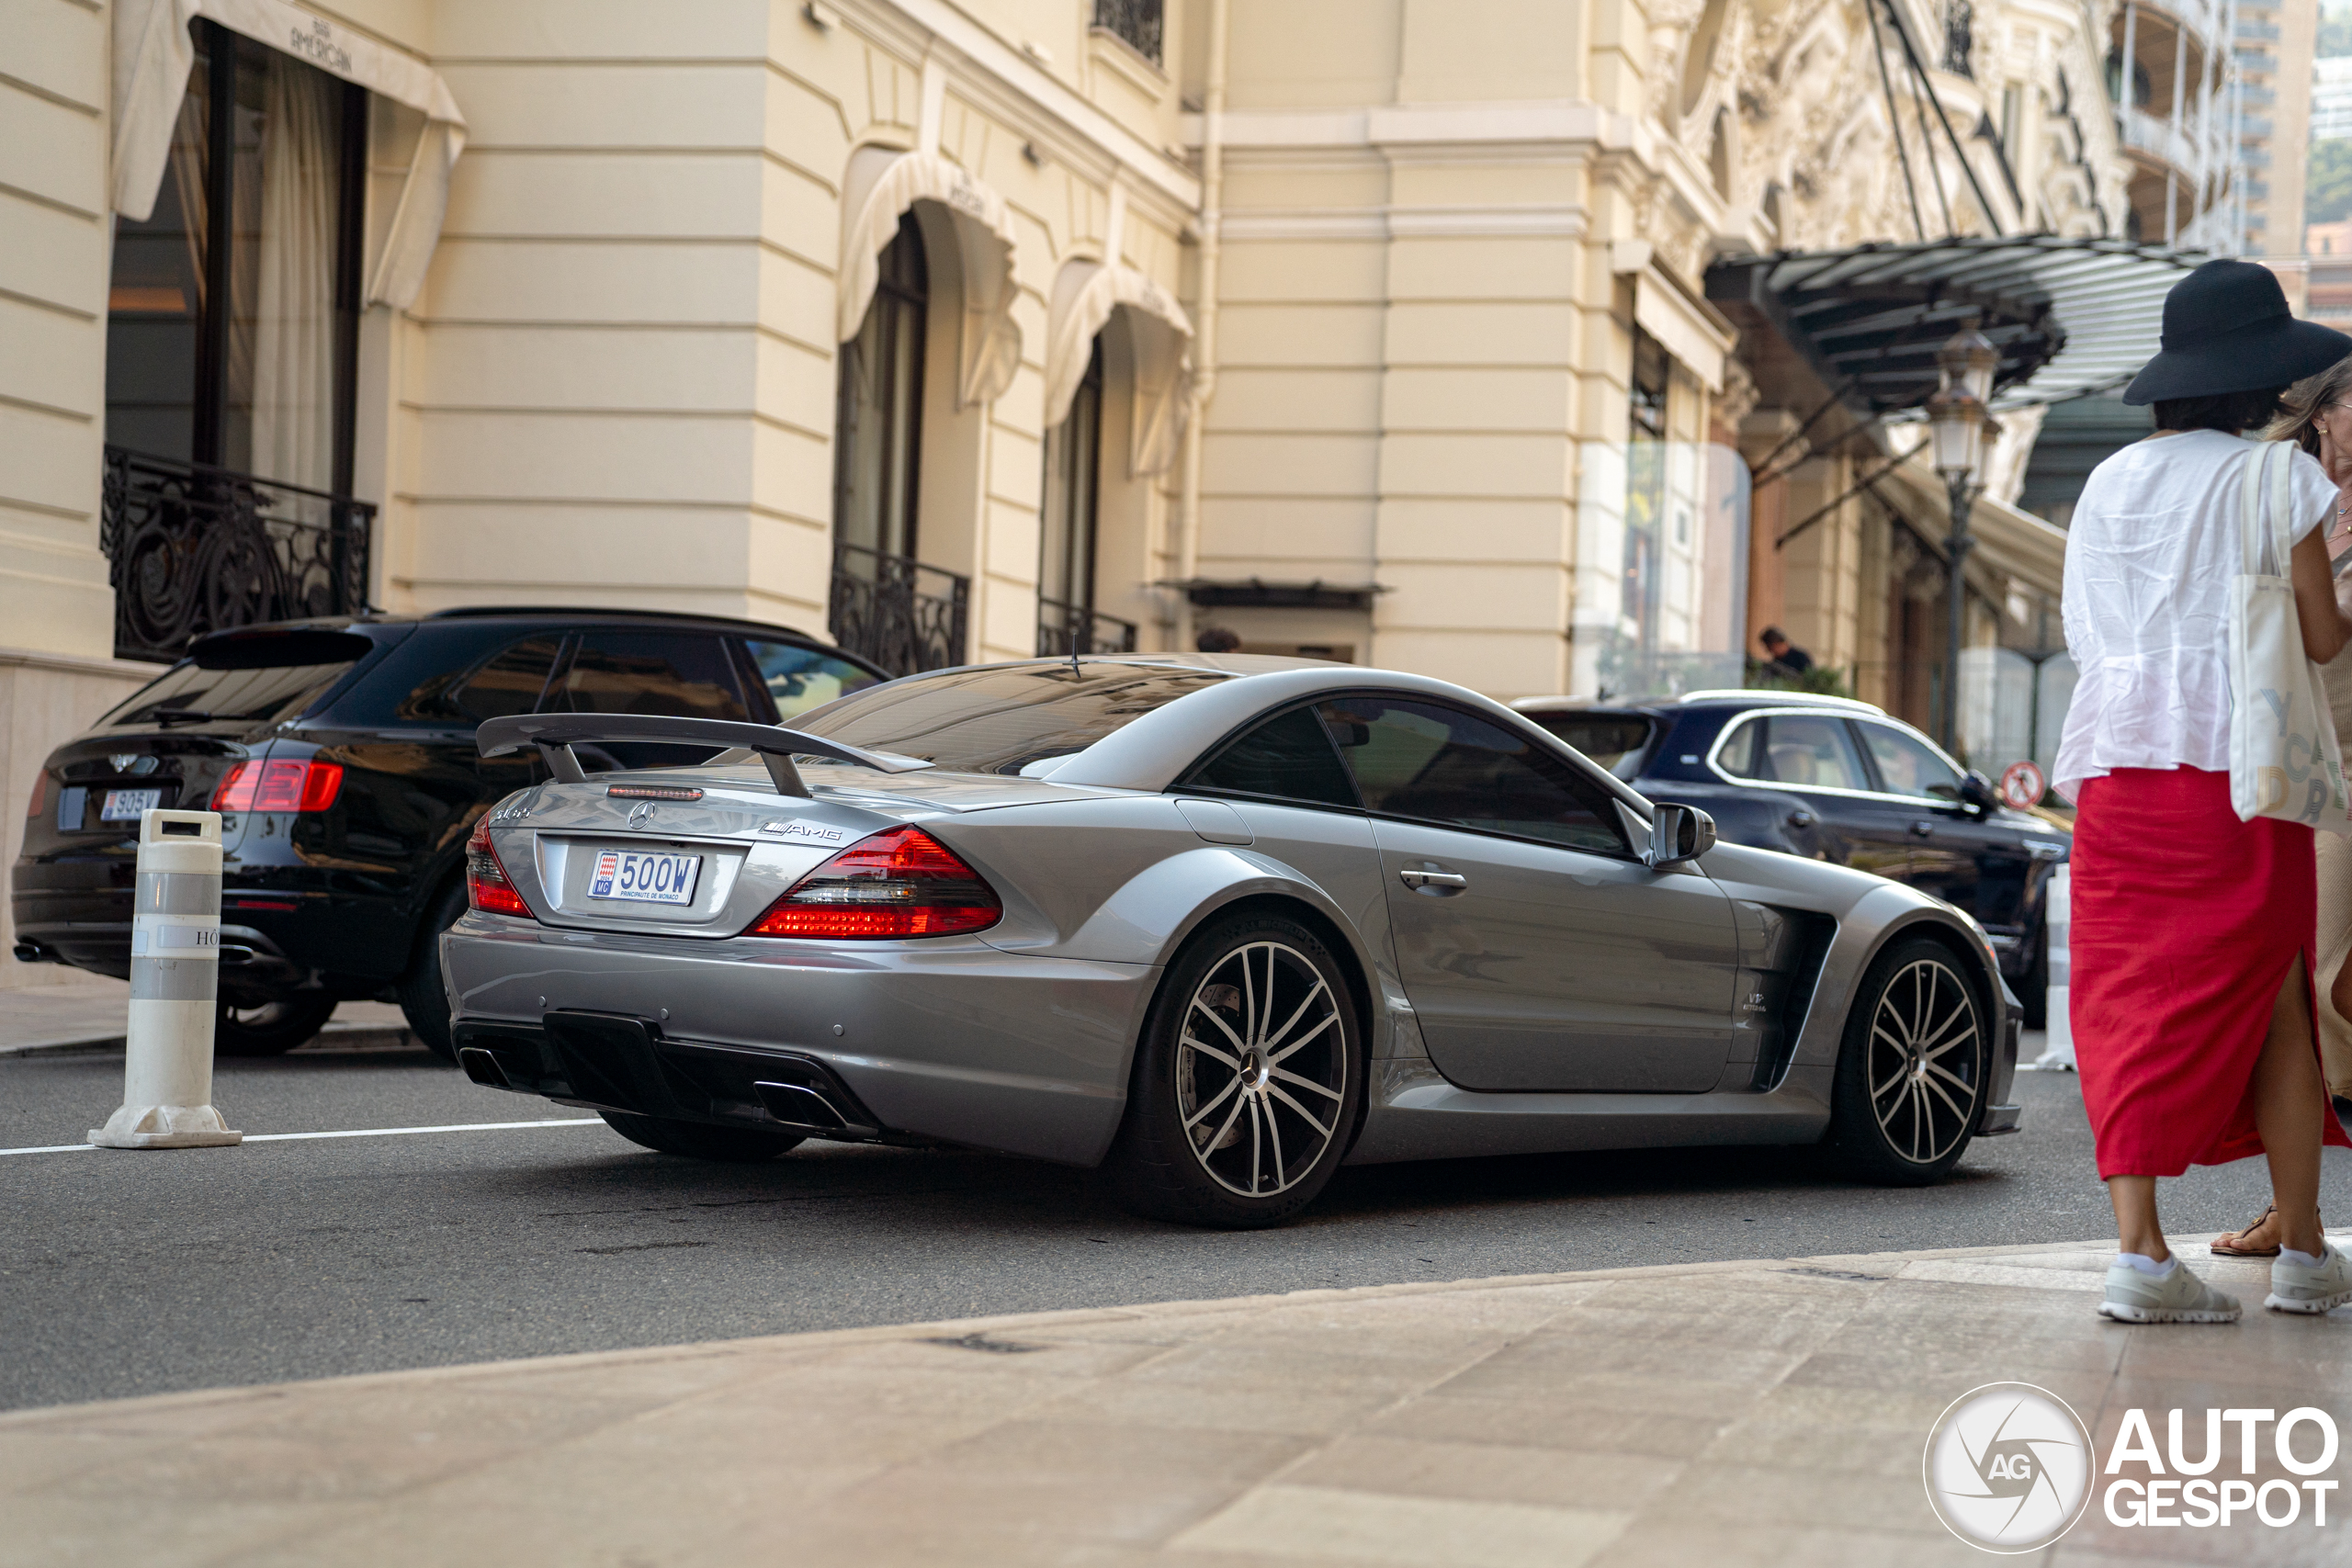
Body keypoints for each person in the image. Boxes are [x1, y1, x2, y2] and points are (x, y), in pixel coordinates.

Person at [2056, 258, 2352, 1325]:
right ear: (2263, 381)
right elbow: (2320, 638)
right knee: (2275, 993)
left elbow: (2086, 635)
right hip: (2240, 771)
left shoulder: (2107, 481)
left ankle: (2141, 1255)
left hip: (2117, 770)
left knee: (2118, 993)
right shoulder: (2278, 480)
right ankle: (2304, 1254)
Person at [2214, 354, 2352, 1258]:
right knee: (2286, 997)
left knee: (2325, 987)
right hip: (2290, 776)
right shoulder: (2289, 509)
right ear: (2324, 415)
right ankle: (2294, 1214)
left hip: (2347, 784)